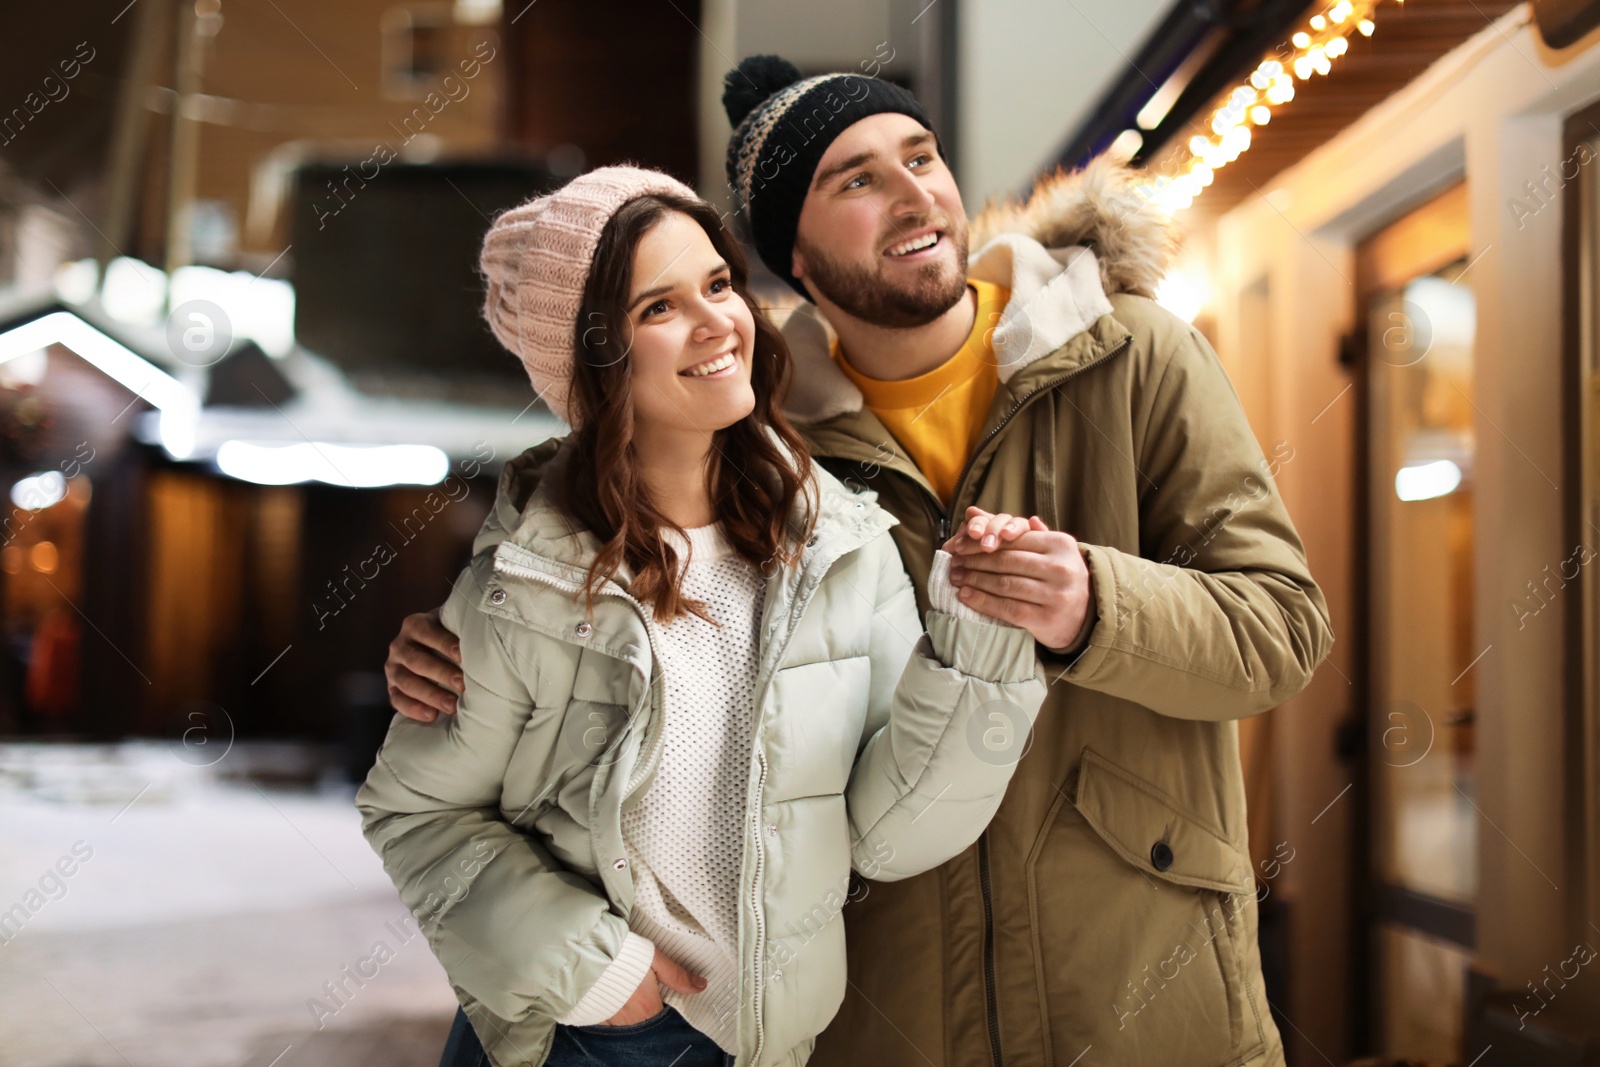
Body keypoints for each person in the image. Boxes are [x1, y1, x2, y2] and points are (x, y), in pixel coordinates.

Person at [392, 58, 1335, 1067]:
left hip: (1136, 983)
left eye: (920, 157)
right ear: (790, 253)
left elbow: (1279, 630)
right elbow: (603, 517)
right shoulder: (762, 451)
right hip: (890, 1006)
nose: (915, 192)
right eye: (856, 178)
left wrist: (1095, 601)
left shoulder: (1131, 352)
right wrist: (458, 638)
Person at [355, 165, 1048, 1067]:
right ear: (595, 362)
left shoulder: (840, 545)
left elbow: (888, 833)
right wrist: (596, 976)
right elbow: (416, 815)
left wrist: (981, 639)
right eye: (658, 308)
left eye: (718, 283)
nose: (720, 321)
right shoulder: (527, 586)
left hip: (762, 1041)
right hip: (584, 1032)